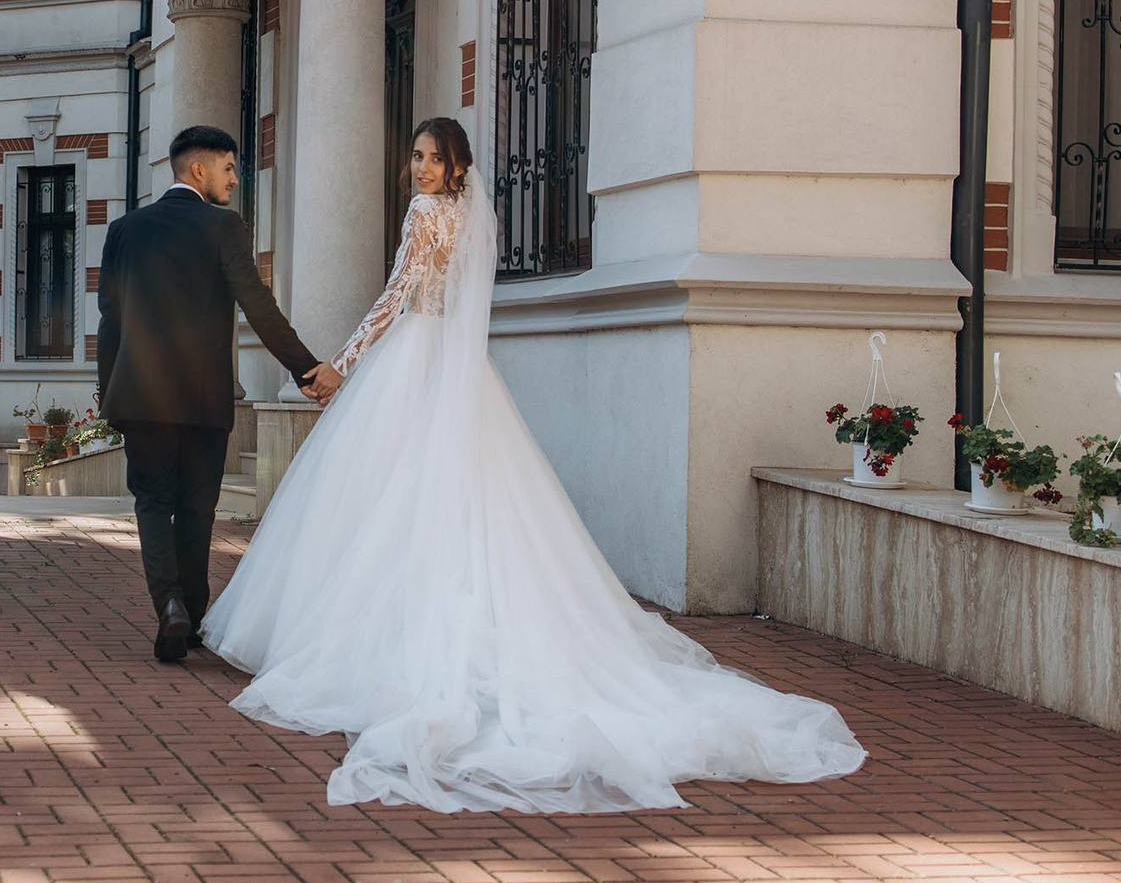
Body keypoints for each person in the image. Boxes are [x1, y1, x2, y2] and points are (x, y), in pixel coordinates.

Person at [202, 117, 868, 813]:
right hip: (457, 370)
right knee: (467, 500)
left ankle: (376, 637)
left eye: (432, 158)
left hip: (413, 360)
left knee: (388, 497)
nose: (419, 169)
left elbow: (397, 297)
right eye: (416, 158)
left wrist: (342, 363)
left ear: (455, 167)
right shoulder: (468, 216)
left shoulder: (427, 214)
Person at [97, 126, 341, 663]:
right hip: (205, 400)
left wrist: (108, 394)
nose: (236, 178)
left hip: (139, 397)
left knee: (153, 503)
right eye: (229, 168)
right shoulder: (222, 228)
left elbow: (109, 322)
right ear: (199, 171)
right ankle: (195, 614)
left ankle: (169, 608)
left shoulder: (125, 230)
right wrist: (307, 370)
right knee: (198, 508)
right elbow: (258, 306)